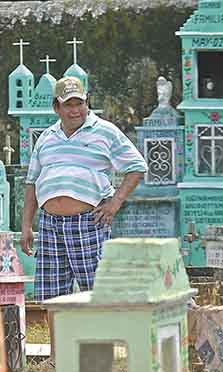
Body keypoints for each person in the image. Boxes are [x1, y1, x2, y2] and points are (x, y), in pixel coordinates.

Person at [20, 76, 147, 302]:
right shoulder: (47, 137)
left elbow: (136, 166)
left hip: (89, 222)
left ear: (87, 103)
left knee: (97, 293)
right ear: (56, 107)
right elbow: (32, 182)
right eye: (68, 105)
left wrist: (114, 203)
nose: (75, 110)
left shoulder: (105, 131)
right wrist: (27, 226)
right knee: (51, 297)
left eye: (80, 103)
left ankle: (100, 339)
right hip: (50, 225)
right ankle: (58, 339)